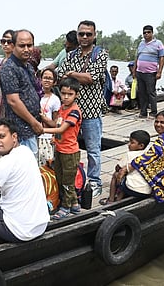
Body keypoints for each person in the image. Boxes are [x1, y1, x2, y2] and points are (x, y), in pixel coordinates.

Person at [57, 20, 109, 198]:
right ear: (77, 35)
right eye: (81, 34)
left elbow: (92, 78)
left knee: (93, 149)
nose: (85, 37)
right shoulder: (71, 54)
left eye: (88, 34)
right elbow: (61, 76)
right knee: (69, 147)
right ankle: (72, 180)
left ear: (95, 35)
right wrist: (75, 75)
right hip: (69, 110)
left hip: (91, 110)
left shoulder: (100, 54)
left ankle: (94, 181)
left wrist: (71, 74)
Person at [127, 110, 164, 203]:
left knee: (136, 166)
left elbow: (146, 158)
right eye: (156, 121)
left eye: (163, 122)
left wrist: (126, 169)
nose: (158, 125)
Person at [43, 77, 82, 220]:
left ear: (76, 95)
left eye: (69, 94)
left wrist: (42, 130)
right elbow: (57, 126)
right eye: (63, 93)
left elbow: (62, 129)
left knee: (67, 182)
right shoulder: (62, 109)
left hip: (70, 152)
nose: (65, 97)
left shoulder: (74, 111)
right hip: (59, 149)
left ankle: (65, 207)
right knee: (59, 177)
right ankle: (75, 204)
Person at [0, 29, 43, 155]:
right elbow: (13, 101)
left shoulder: (28, 66)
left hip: (31, 126)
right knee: (25, 166)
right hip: (21, 129)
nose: (26, 49)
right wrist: (33, 122)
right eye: (22, 46)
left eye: (29, 45)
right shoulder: (9, 68)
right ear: (13, 46)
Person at [99, 130, 151, 205]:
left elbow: (117, 168)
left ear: (141, 146)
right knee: (127, 177)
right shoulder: (147, 154)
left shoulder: (129, 154)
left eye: (132, 142)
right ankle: (119, 200)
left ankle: (111, 199)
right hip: (147, 190)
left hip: (133, 189)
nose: (128, 144)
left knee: (116, 175)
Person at [131, 25, 164, 119]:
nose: (146, 34)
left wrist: (159, 71)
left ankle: (154, 112)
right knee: (141, 93)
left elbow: (162, 57)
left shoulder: (158, 43)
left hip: (151, 72)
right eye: (144, 33)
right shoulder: (141, 44)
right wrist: (134, 70)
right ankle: (143, 112)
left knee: (151, 92)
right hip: (140, 72)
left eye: (148, 32)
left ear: (152, 33)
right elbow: (137, 57)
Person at [38, 69, 61, 166]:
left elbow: (56, 123)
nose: (47, 80)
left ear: (54, 82)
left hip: (46, 137)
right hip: (33, 136)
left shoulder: (55, 99)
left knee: (46, 166)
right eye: (45, 78)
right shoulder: (35, 95)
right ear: (40, 79)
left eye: (50, 78)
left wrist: (43, 118)